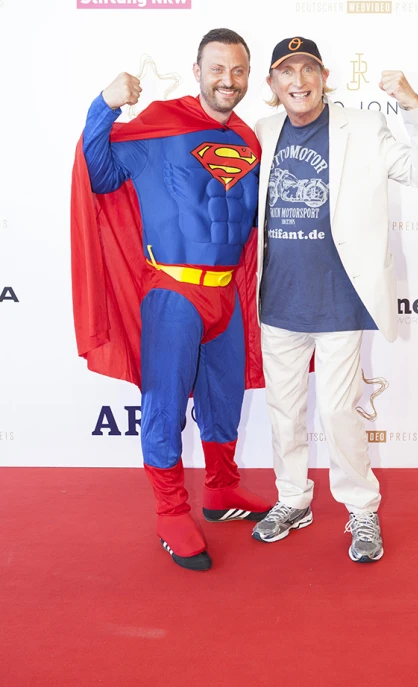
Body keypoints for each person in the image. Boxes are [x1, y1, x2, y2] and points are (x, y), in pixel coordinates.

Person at [71, 28, 270, 572]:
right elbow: (100, 171)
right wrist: (102, 106)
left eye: (237, 71)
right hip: (173, 292)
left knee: (224, 401)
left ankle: (222, 491)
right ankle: (169, 510)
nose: (227, 80)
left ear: (248, 76)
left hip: (225, 294)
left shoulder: (251, 141)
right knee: (164, 402)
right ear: (198, 70)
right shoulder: (160, 125)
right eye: (217, 69)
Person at [251, 37, 418, 561]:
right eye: (286, 72)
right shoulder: (262, 133)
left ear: (324, 75)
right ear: (272, 84)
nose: (298, 80)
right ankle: (293, 499)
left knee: (338, 414)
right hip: (277, 304)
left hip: (338, 303)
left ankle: (361, 510)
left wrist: (411, 105)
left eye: (307, 69)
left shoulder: (362, 127)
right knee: (284, 414)